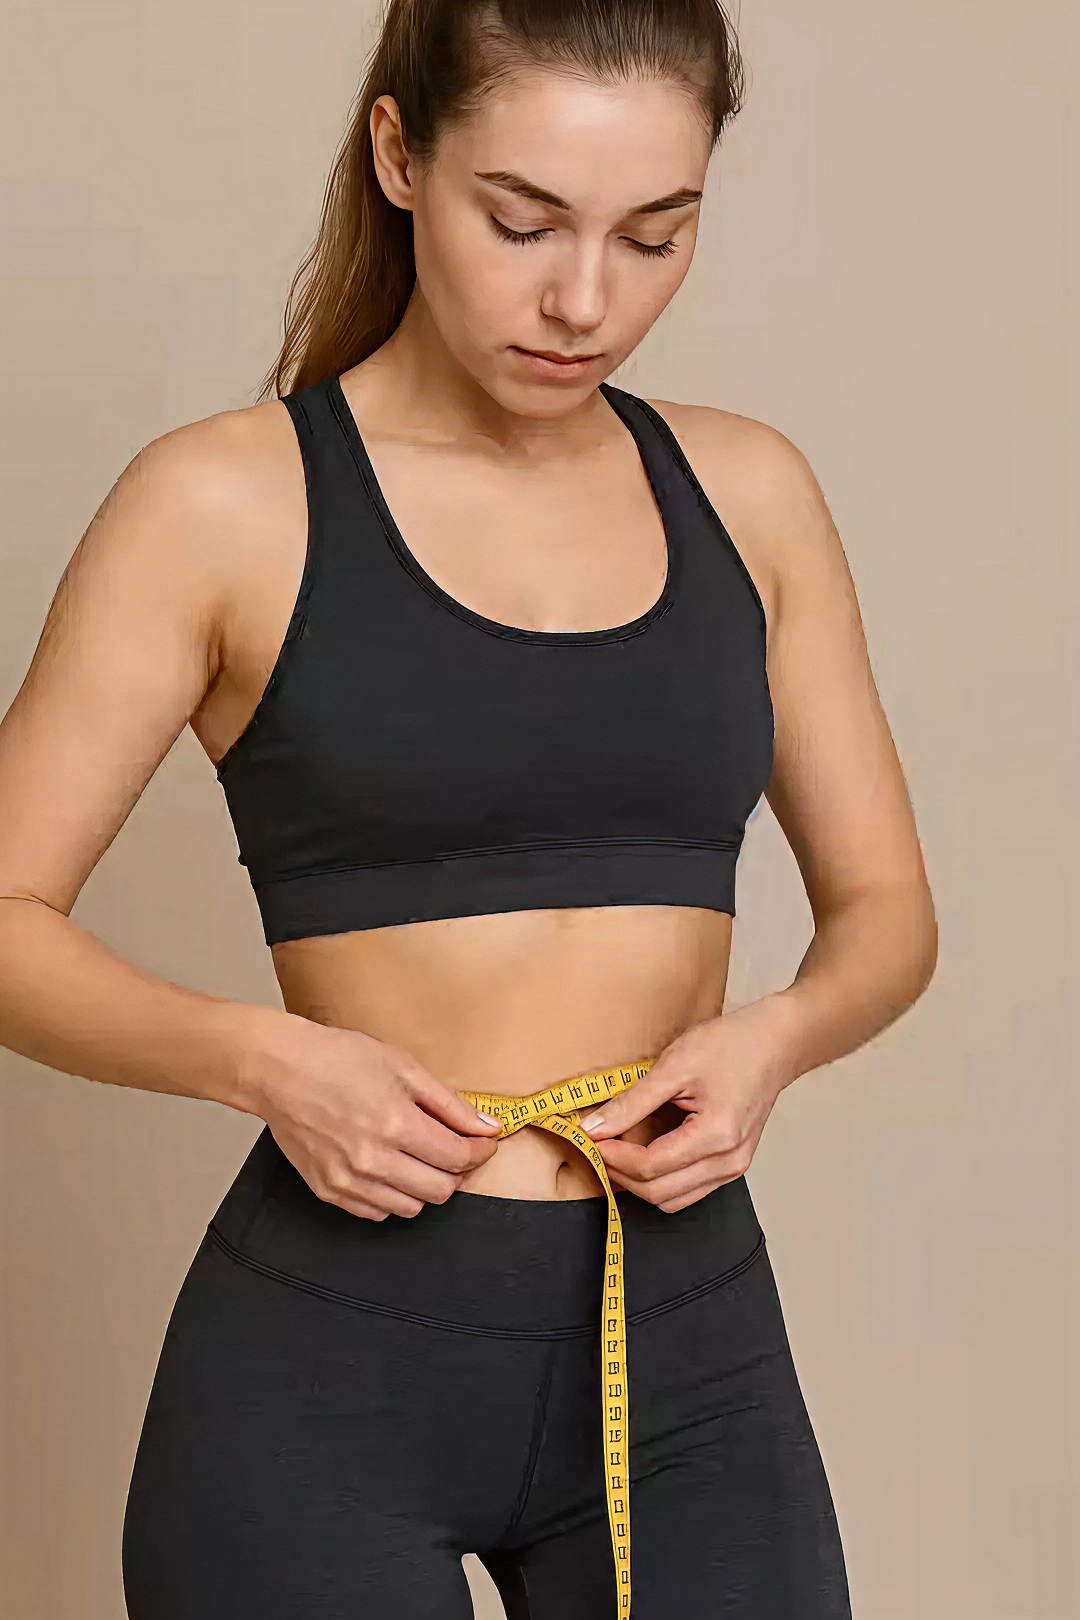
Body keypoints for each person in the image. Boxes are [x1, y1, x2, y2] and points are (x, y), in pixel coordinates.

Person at [0, 1, 938, 1616]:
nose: (586, 300)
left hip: (685, 1341)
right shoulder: (222, 503)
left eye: (658, 236)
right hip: (326, 1365)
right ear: (397, 158)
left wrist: (770, 1043)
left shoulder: (750, 494)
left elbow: (889, 921)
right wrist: (264, 1062)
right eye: (525, 222)